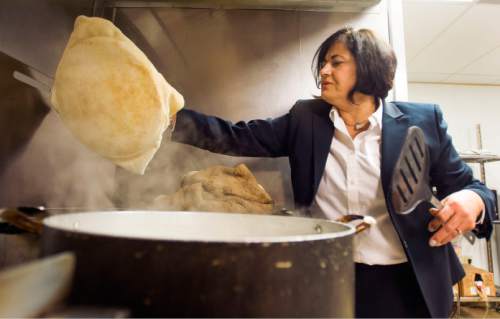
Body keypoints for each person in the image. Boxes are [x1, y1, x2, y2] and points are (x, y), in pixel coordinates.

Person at [170, 27, 495, 318]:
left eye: (336, 62)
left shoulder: (424, 122)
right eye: (323, 63)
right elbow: (236, 135)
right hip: (332, 277)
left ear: (369, 67)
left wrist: (473, 201)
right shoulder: (304, 119)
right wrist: (166, 117)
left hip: (409, 284)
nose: (323, 70)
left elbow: (474, 188)